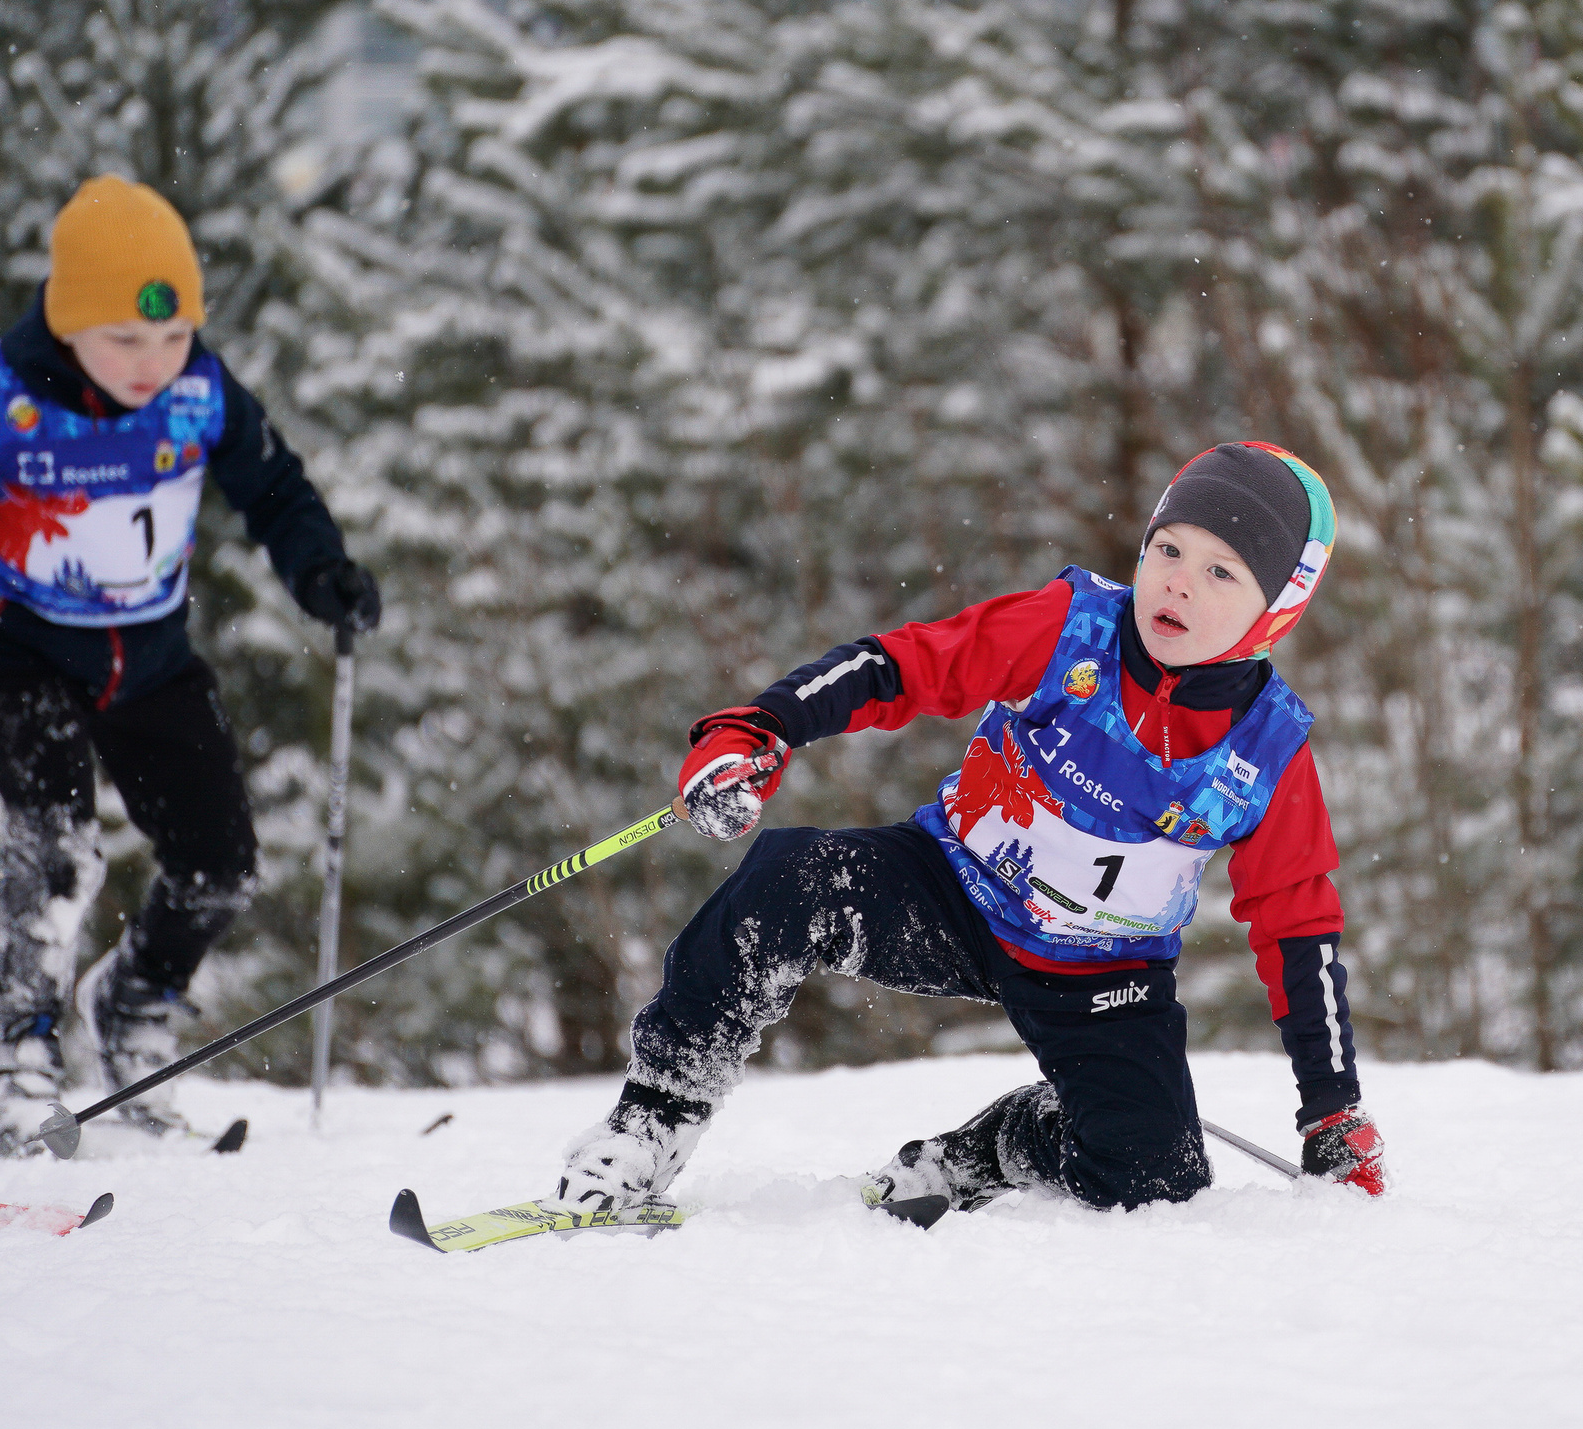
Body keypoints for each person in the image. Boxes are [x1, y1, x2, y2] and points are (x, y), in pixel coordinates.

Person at [551, 441, 1385, 1220]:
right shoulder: (1070, 630)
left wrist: (1332, 1109)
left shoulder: (1268, 749)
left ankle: (986, 1151)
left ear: (1276, 610)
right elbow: (904, 664)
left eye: (1221, 572)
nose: (1178, 584)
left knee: (1156, 1181)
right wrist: (761, 729)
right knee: (789, 876)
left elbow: (1298, 929)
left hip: (1104, 972)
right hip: (952, 891)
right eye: (1167, 550)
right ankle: (651, 1122)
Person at [0, 177, 380, 1150]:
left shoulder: (200, 391)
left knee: (220, 865)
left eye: (172, 335)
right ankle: (12, 1051)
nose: (153, 363)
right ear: (67, 325)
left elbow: (272, 486)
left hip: (149, 657)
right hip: (22, 652)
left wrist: (321, 570)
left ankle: (136, 1001)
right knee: (56, 850)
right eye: (125, 340)